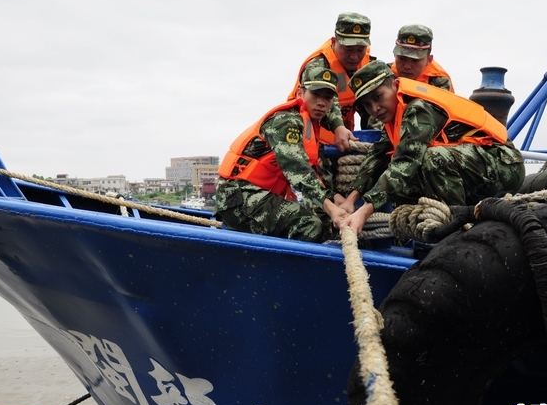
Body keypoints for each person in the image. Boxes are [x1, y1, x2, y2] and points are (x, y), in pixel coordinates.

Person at [339, 60, 525, 235]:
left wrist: (364, 211)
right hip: (475, 167)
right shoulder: (395, 115)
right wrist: (351, 199)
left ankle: (456, 232)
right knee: (404, 183)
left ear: (395, 85)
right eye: (367, 105)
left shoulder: (419, 108)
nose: (375, 109)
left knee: (431, 158)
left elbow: (405, 162)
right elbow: (377, 156)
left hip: (503, 164)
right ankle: (418, 235)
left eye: (378, 97)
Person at [216, 66, 349, 242]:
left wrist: (334, 198)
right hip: (238, 198)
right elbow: (297, 170)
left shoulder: (310, 126)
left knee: (327, 230)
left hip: (257, 195)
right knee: (308, 225)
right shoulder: (286, 122)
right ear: (301, 93)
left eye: (327, 97)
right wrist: (330, 207)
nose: (321, 102)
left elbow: (313, 173)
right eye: (316, 94)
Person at [288, 12, 373, 152]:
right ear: (334, 42)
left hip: (345, 140)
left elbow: (370, 102)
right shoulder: (318, 65)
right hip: (309, 138)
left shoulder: (367, 65)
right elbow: (326, 100)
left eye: (360, 50)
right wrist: (338, 127)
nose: (354, 56)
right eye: (348, 49)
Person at [391, 24, 454, 92]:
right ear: (395, 55)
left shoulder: (439, 81)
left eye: (415, 60)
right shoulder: (385, 73)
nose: (407, 66)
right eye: (402, 58)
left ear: (429, 60)